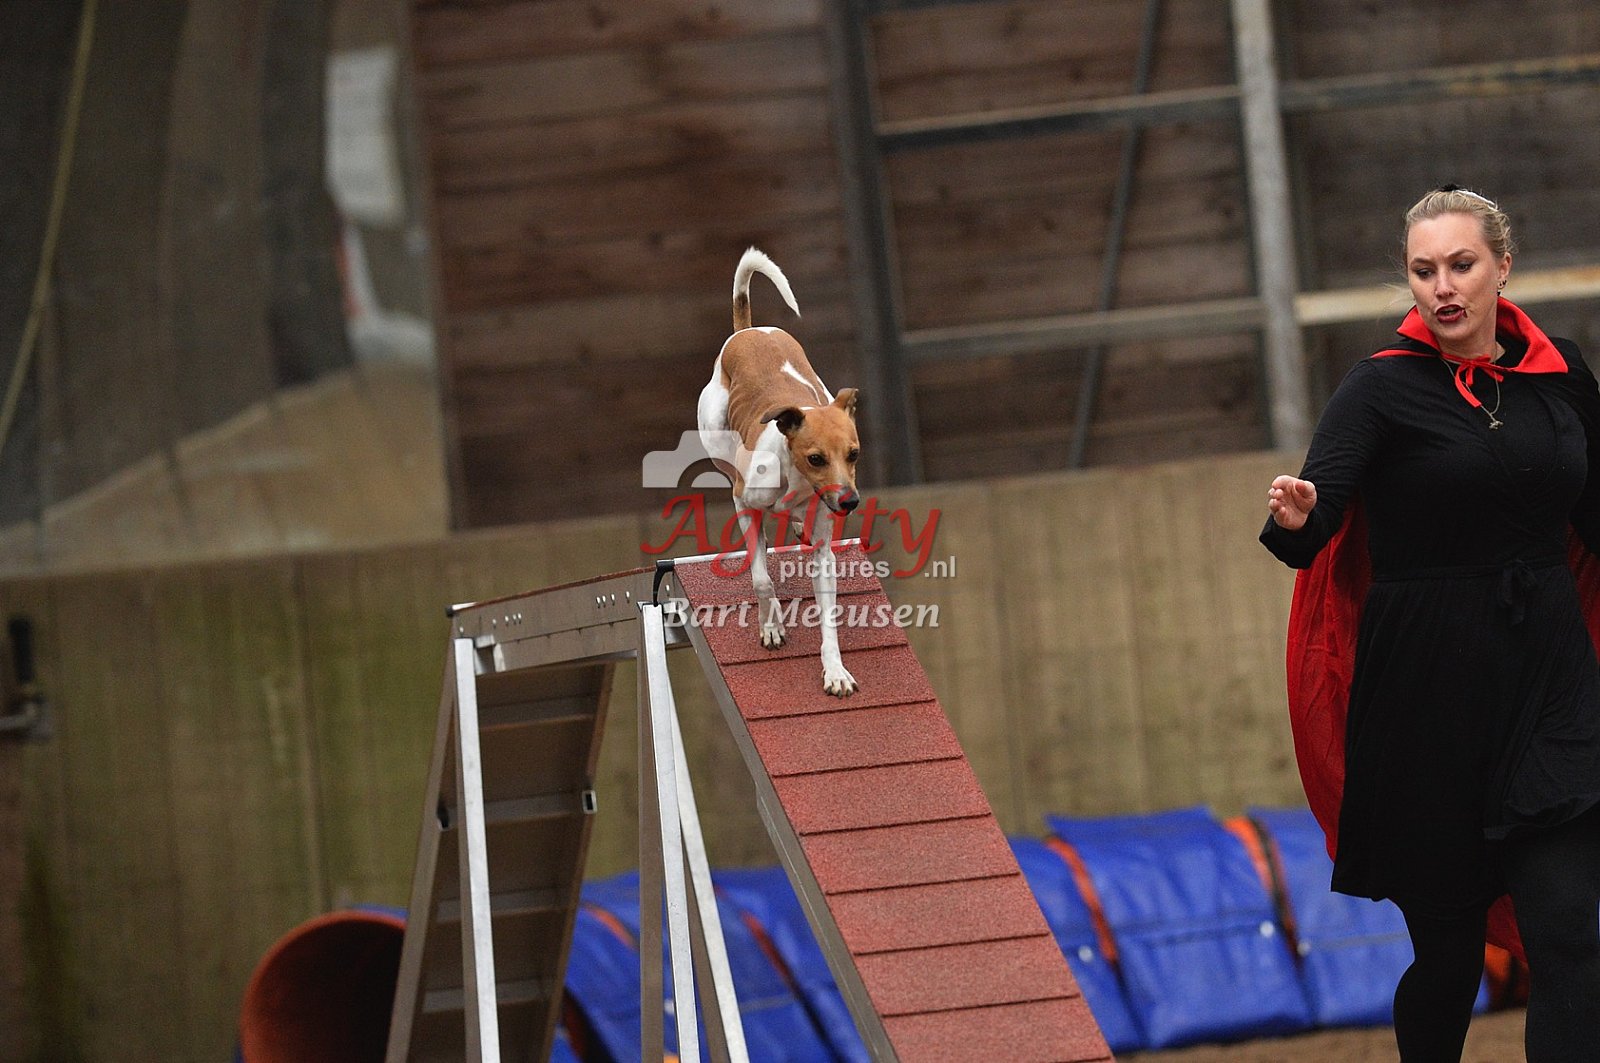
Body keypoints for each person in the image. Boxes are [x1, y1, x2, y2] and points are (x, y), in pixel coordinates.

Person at [1261, 186, 1600, 1063]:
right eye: (1423, 270)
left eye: (1460, 264)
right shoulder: (1379, 387)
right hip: (1425, 702)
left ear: (1502, 267)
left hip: (1551, 690)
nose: (1443, 286)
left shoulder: (1561, 376)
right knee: (1449, 960)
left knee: (1570, 938)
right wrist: (1296, 515)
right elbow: (1312, 525)